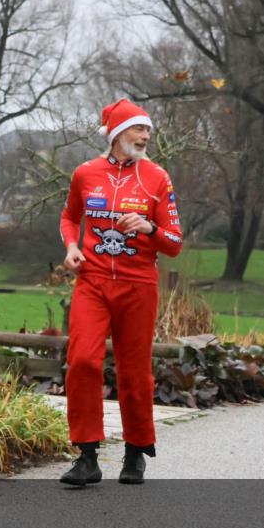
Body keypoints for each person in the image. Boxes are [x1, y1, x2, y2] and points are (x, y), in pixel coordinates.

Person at [58, 99, 183, 486]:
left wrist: (149, 228)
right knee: (82, 361)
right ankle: (87, 456)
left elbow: (174, 243)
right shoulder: (85, 173)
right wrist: (71, 247)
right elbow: (69, 217)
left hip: (138, 285)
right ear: (116, 133)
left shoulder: (157, 177)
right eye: (138, 129)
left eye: (148, 130)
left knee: (134, 372)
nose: (146, 136)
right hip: (92, 281)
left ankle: (135, 451)